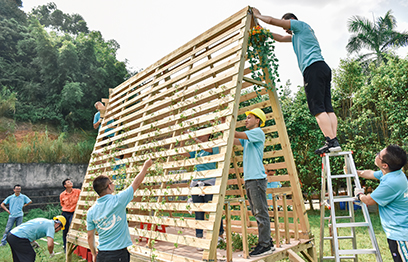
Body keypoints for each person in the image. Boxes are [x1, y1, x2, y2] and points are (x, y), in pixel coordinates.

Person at [251, 8, 341, 155]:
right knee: (327, 108)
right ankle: (333, 141)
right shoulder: (299, 35)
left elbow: (273, 20)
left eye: (286, 26)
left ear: (291, 21)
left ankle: (331, 140)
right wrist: (262, 31)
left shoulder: (299, 25)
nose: (286, 30)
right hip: (322, 67)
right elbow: (279, 38)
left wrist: (258, 15)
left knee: (317, 109)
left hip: (312, 69)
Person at [87, 158, 152, 262]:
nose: (113, 184)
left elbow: (90, 236)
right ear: (109, 186)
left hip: (102, 254)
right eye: (111, 183)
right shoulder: (118, 200)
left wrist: (94, 253)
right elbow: (135, 183)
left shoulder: (91, 211)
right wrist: (145, 167)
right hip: (118, 254)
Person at [355, 145, 408, 262]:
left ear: (385, 165)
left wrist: (359, 195)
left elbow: (369, 201)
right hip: (400, 231)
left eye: (379, 155)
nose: (376, 155)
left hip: (401, 235)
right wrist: (356, 172)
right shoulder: (394, 173)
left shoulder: (391, 182)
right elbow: (371, 174)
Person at [234, 108, 275, 257]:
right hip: (250, 179)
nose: (246, 120)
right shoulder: (248, 138)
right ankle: (267, 241)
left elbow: (236, 133)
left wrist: (228, 124)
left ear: (257, 120)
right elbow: (234, 139)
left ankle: (264, 245)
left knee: (260, 212)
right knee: (257, 212)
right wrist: (223, 125)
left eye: (249, 118)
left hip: (256, 179)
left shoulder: (258, 132)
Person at [180, 127, 224, 251]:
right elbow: (182, 153)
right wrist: (183, 139)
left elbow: (207, 148)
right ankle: (199, 238)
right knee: (198, 211)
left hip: (209, 182)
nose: (198, 135)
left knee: (213, 211)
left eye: (201, 133)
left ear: (208, 134)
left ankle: (219, 235)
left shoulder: (213, 145)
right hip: (196, 184)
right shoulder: (197, 149)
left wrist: (193, 137)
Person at [60, 178, 81, 252]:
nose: (71, 183)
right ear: (65, 185)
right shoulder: (62, 195)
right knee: (65, 230)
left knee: (72, 228)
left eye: (71, 182)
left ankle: (74, 245)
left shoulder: (77, 191)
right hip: (65, 213)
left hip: (74, 212)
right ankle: (65, 246)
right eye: (68, 182)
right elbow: (62, 204)